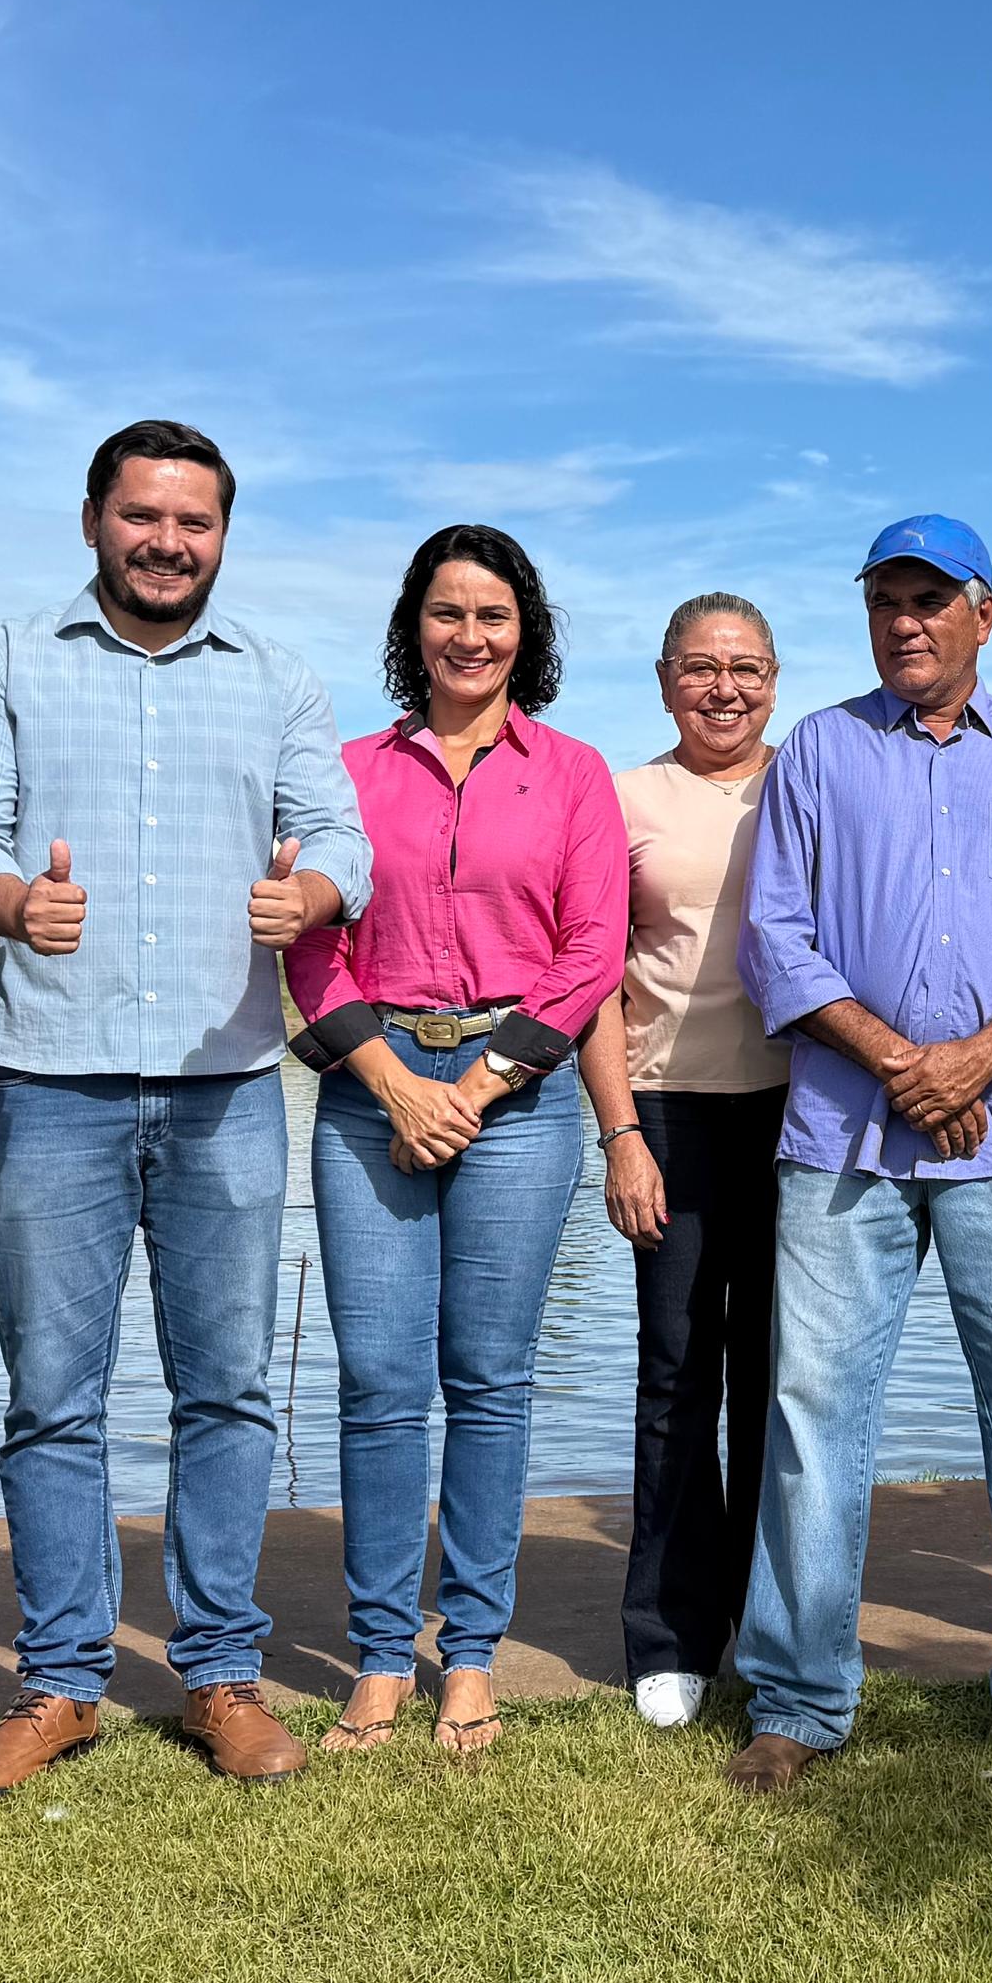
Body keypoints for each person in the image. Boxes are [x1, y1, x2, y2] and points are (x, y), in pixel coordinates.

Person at [0, 420, 375, 1799]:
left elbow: (340, 836)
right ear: (92, 521)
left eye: (194, 521)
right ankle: (62, 1683)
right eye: (142, 516)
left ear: (221, 535)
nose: (167, 543)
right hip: (47, 1082)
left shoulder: (279, 678)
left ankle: (220, 1675)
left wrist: (314, 895)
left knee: (225, 1392)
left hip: (226, 1085)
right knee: (51, 1400)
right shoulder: (5, 660)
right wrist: (11, 901)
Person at [721, 515, 992, 1792]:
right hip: (845, 1138)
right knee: (813, 1407)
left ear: (982, 615)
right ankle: (798, 1697)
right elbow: (776, 940)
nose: (905, 622)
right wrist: (907, 1064)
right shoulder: (818, 751)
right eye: (885, 602)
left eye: (930, 600)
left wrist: (976, 1060)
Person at [284, 525, 623, 1763]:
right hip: (370, 1092)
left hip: (516, 1102)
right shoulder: (347, 773)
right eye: (446, 613)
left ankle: (469, 1651)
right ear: (411, 628)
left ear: (524, 634)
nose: (468, 636)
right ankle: (382, 1655)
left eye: (492, 615)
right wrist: (393, 1084)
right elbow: (310, 945)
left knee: (487, 1381)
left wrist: (473, 1088)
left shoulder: (572, 774)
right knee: (379, 1384)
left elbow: (591, 952)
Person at [580, 592, 790, 1733]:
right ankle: (668, 1635)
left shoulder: (808, 784)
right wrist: (620, 1136)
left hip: (799, 1115)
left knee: (776, 1375)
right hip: (667, 1111)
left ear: (775, 681)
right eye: (702, 668)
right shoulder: (623, 800)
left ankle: (769, 1620)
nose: (724, 688)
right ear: (665, 681)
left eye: (746, 669)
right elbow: (592, 981)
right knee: (675, 1376)